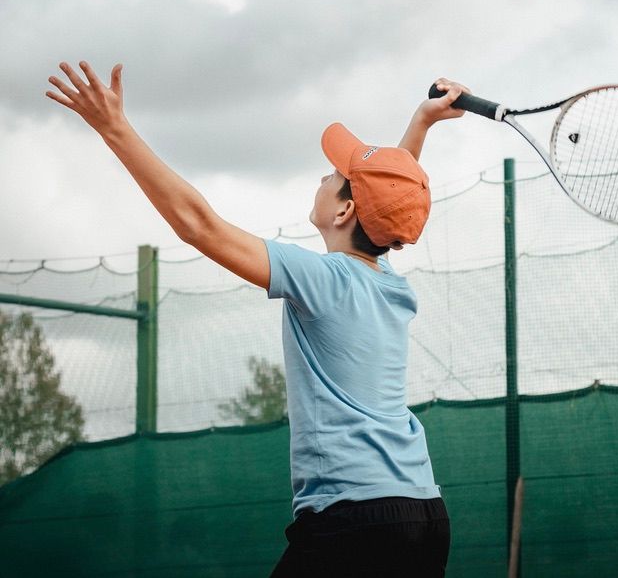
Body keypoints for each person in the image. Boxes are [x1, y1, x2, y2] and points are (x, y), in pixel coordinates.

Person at [44, 61, 468, 577]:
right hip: (423, 514)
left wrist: (115, 127)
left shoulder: (323, 277)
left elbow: (199, 225)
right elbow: (390, 201)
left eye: (336, 177)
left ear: (343, 212)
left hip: (355, 522)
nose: (325, 174)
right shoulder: (388, 284)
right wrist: (421, 122)